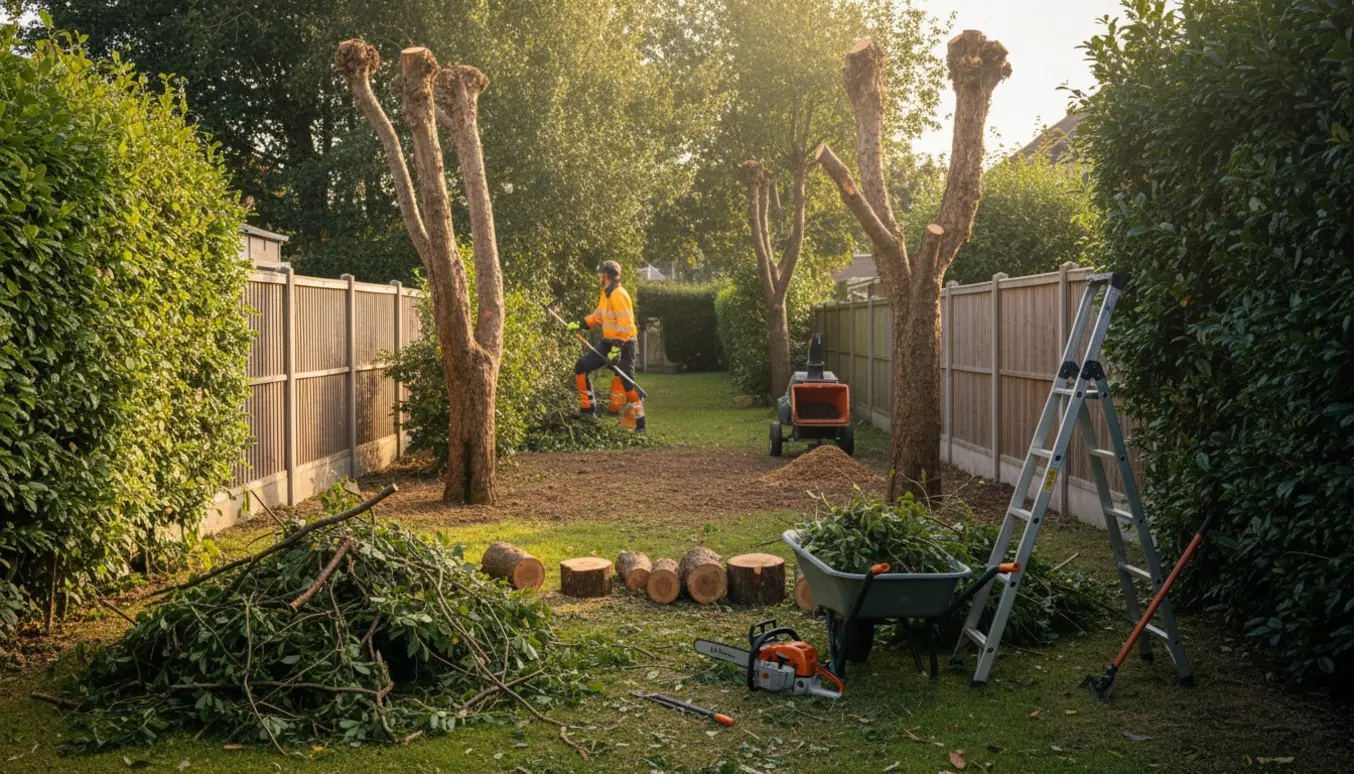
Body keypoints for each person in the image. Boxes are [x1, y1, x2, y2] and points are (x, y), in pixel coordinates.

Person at [568, 261, 645, 433]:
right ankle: (587, 410)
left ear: (605, 275)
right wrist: (580, 324)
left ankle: (640, 424)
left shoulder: (618, 294)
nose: (598, 276)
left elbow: (626, 325)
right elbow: (598, 316)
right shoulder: (606, 294)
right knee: (581, 367)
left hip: (625, 344)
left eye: (599, 273)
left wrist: (618, 347)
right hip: (609, 343)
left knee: (628, 384)